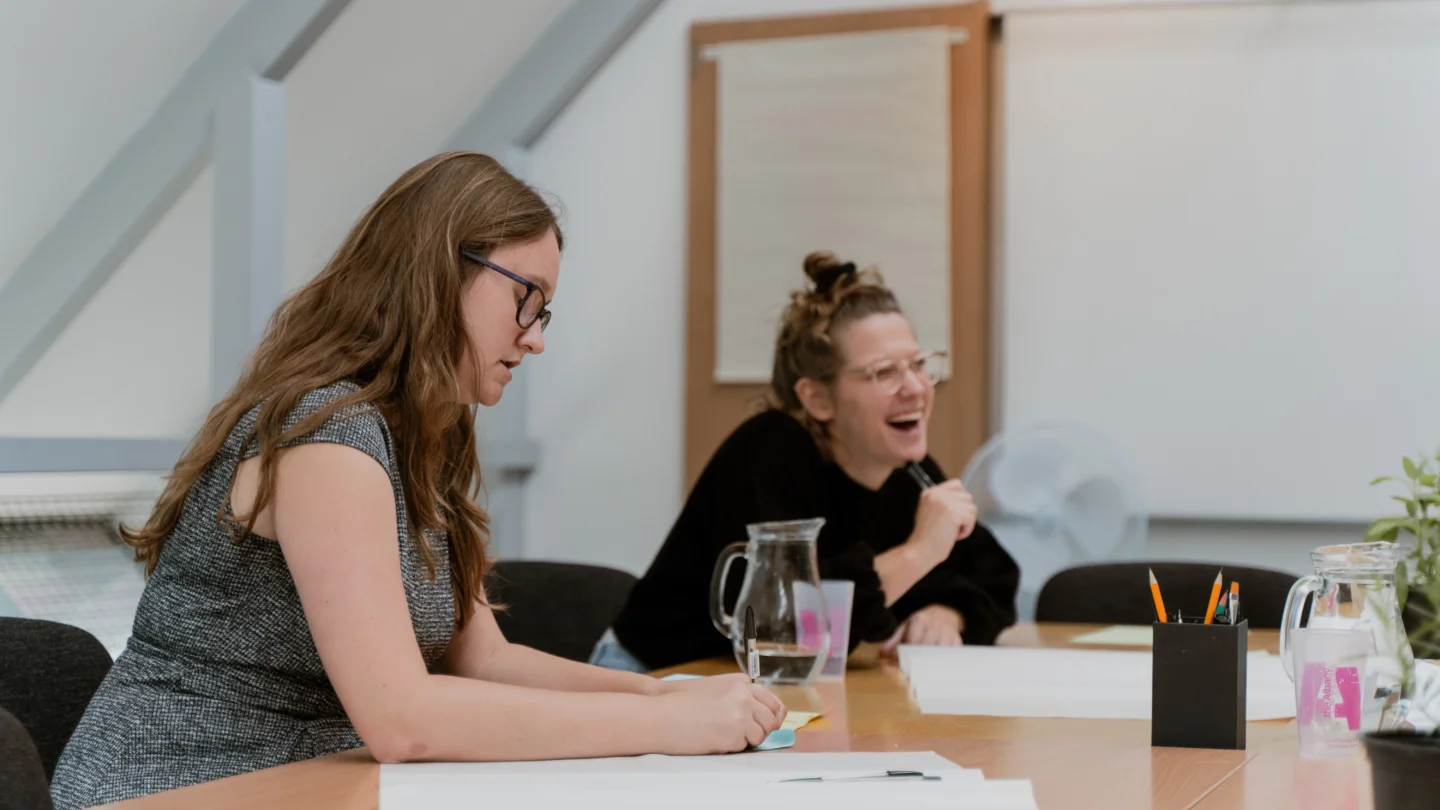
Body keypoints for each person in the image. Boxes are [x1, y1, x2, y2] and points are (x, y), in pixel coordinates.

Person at [49, 153, 784, 809]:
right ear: (439, 272)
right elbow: (402, 719)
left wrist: (665, 694)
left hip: (310, 776)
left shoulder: (413, 436)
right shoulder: (326, 440)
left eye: (545, 310)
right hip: (180, 783)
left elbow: (487, 659)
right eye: (526, 298)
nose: (536, 336)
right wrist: (662, 724)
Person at [594, 252, 1020, 673]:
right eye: (884, 373)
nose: (915, 388)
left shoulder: (907, 471)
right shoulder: (768, 453)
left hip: (762, 689)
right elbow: (783, 625)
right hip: (654, 676)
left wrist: (949, 612)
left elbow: (996, 577)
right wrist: (919, 552)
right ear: (817, 398)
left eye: (918, 365)